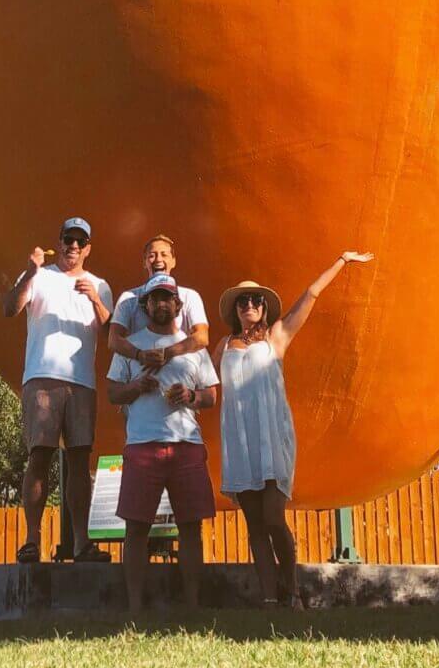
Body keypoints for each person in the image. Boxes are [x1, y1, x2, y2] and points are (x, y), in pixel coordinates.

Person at [217, 253, 372, 606]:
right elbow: (207, 386)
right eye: (243, 301)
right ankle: (271, 601)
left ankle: (292, 588)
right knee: (254, 526)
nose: (250, 305)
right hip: (240, 443)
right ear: (235, 310)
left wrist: (341, 261)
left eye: (256, 300)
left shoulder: (277, 337)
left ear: (265, 308)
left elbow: (311, 295)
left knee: (273, 517)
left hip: (272, 437)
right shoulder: (223, 346)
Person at [106, 272, 219, 612]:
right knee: (136, 528)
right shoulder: (131, 345)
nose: (161, 304)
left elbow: (211, 396)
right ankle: (135, 609)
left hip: (186, 443)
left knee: (191, 527)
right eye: (155, 299)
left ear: (177, 304)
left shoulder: (193, 346)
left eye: (167, 298)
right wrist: (136, 388)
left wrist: (190, 395)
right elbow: (112, 393)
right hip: (142, 444)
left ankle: (193, 606)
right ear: (147, 305)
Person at [3, 217, 112, 564]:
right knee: (40, 456)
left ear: (88, 248)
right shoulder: (40, 276)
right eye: (69, 239)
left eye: (81, 241)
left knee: (80, 461)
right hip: (42, 377)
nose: (73, 246)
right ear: (59, 240)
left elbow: (111, 334)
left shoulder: (100, 284)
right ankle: (32, 540)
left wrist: (96, 299)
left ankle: (81, 543)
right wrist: (30, 272)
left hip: (82, 382)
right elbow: (10, 309)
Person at [107, 234, 210, 371]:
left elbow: (202, 337)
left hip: (179, 373)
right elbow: (114, 340)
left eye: (164, 254)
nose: (158, 259)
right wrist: (140, 355)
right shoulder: (128, 298)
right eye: (152, 255)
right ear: (144, 262)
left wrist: (167, 353)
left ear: (173, 261)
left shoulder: (190, 296)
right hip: (140, 373)